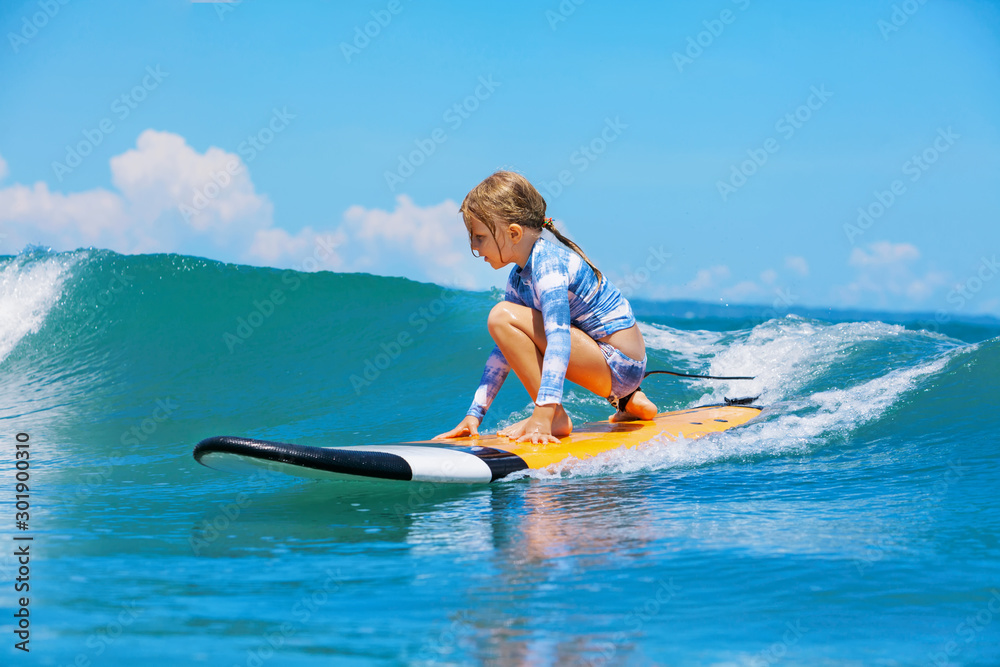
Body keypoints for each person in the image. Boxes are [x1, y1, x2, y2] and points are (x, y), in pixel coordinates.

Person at [434, 171, 657, 445]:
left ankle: (555, 416)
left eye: (479, 237)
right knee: (505, 320)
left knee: (501, 316)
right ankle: (630, 402)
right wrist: (474, 415)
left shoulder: (548, 266)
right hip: (621, 372)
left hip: (616, 364)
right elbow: (505, 350)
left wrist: (543, 413)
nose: (474, 247)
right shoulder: (520, 276)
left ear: (514, 233)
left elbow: (560, 340)